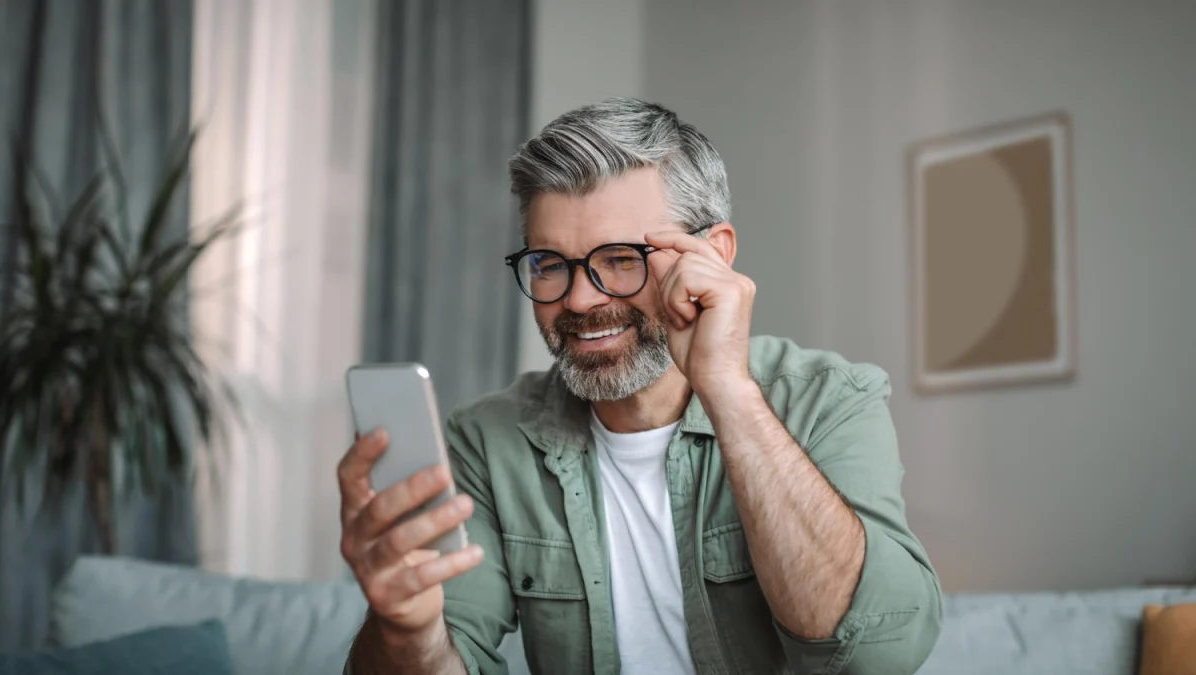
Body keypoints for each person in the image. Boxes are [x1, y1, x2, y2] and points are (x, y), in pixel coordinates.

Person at [338, 98, 942, 675]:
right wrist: (406, 629)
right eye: (549, 264)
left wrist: (727, 388)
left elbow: (878, 656)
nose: (578, 299)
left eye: (621, 258)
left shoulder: (828, 401)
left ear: (712, 257)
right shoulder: (487, 442)